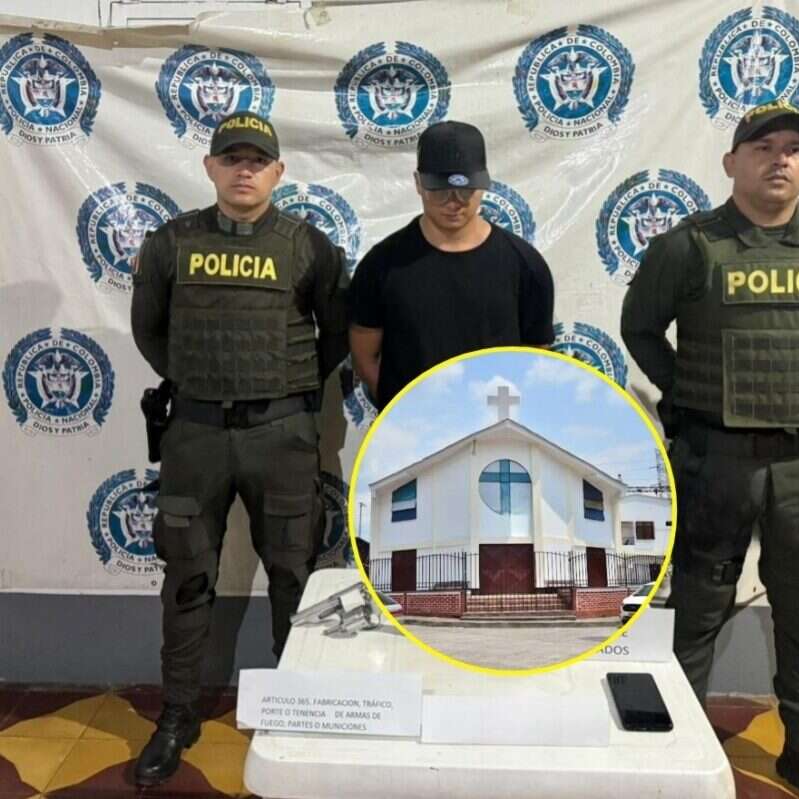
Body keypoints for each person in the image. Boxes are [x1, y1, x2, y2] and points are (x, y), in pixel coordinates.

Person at [621, 101, 799, 799]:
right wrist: (691, 390)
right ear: (731, 162)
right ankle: (675, 749)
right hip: (717, 459)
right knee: (695, 612)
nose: (780, 159)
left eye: (793, 148)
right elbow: (640, 327)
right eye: (763, 147)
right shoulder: (690, 246)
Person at [130, 110, 348, 786]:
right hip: (195, 435)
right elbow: (150, 331)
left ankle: (296, 711)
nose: (244, 170)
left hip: (281, 435)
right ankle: (176, 715)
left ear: (278, 172)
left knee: (294, 576)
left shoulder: (310, 246)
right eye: (232, 159)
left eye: (257, 160)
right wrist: (202, 386)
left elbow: (335, 338)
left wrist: (281, 392)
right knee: (187, 578)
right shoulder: (171, 244)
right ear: (210, 168)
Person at [348, 120, 554, 409]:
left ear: (483, 185)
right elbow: (364, 355)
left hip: (496, 425)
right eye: (440, 190)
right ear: (418, 183)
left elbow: (535, 358)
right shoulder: (382, 265)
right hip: (411, 427)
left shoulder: (525, 265)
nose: (454, 202)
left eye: (465, 190)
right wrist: (402, 410)